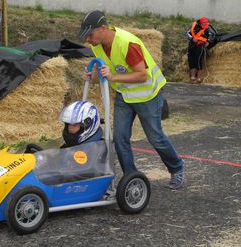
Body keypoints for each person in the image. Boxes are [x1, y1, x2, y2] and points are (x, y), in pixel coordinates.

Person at [78, 10, 185, 189]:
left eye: (89, 34)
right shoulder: (97, 45)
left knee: (156, 138)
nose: (87, 39)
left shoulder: (128, 44)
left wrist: (112, 78)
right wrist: (93, 76)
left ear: (103, 28)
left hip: (148, 96)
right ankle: (131, 178)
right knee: (119, 138)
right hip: (125, 96)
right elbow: (104, 70)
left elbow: (142, 75)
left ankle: (177, 168)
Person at [186, 17, 217, 84]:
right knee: (191, 59)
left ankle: (199, 77)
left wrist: (208, 41)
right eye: (203, 24)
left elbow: (213, 35)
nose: (205, 26)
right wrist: (192, 38)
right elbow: (187, 32)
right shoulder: (193, 25)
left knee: (198, 59)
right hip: (192, 45)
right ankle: (192, 76)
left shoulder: (208, 27)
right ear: (199, 23)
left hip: (201, 46)